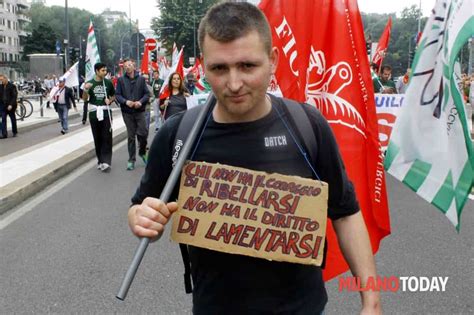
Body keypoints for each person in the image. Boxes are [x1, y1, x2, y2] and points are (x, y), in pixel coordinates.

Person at [127, 2, 381, 314]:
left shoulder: (308, 126)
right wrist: (141, 218)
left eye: (248, 66)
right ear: (203, 65)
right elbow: (141, 207)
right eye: (219, 69)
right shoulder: (177, 134)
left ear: (272, 60)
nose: (233, 84)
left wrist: (371, 300)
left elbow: (345, 213)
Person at [115, 59, 150, 171]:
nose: (128, 67)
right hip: (127, 112)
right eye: (125, 66)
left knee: (143, 132)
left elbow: (147, 94)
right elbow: (118, 95)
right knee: (131, 136)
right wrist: (126, 102)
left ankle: (142, 151)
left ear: (134, 67)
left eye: (129, 65)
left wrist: (140, 102)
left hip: (139, 111)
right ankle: (131, 159)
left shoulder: (141, 79)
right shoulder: (121, 80)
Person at [82, 62, 116, 172]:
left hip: (106, 113)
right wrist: (86, 89)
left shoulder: (108, 83)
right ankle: (100, 160)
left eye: (105, 70)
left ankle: (106, 161)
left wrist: (109, 100)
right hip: (94, 113)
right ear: (96, 71)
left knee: (107, 137)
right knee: (97, 138)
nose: (105, 73)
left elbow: (114, 95)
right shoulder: (90, 83)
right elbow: (84, 98)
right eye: (103, 70)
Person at [0, 74, 18, 139]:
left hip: (11, 106)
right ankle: (4, 134)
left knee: (12, 118)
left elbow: (14, 96)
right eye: (0, 80)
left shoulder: (12, 86)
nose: (1, 81)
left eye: (2, 79)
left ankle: (14, 131)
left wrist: (11, 104)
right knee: (3, 119)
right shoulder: (0, 86)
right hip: (3, 106)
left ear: (6, 79)